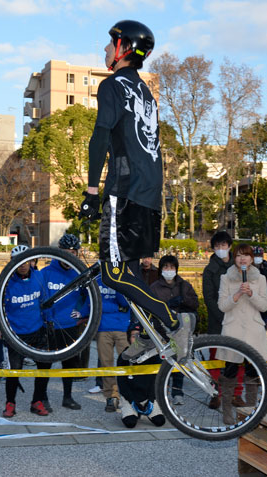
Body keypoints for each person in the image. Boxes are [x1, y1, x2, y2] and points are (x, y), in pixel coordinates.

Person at [78, 20, 192, 363]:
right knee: (128, 274)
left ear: (124, 48)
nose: (105, 50)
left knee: (113, 275)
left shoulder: (112, 86)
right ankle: (150, 334)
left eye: (110, 43)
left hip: (123, 191)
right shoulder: (145, 91)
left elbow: (101, 135)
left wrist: (92, 189)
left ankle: (173, 321)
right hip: (148, 196)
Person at [0, 245, 52, 418]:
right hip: (16, 333)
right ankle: (10, 402)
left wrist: (49, 320)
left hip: (37, 329)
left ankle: (37, 400)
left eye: (27, 261)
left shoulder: (39, 276)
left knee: (44, 366)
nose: (23, 265)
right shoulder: (6, 281)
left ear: (32, 261)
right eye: (18, 261)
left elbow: (46, 300)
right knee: (15, 370)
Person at [217, 244, 267, 425]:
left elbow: (264, 306)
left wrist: (252, 293)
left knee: (253, 372)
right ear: (234, 258)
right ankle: (227, 411)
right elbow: (222, 306)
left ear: (251, 259)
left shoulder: (260, 278)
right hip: (233, 330)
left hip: (254, 332)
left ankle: (251, 410)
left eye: (246, 256)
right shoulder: (226, 278)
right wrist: (238, 293)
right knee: (230, 372)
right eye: (239, 255)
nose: (243, 259)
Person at [40, 234, 88, 411]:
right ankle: (42, 397)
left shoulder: (79, 273)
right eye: (66, 252)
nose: (69, 256)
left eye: (73, 253)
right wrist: (45, 317)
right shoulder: (45, 273)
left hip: (70, 326)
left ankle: (67, 397)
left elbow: (88, 297)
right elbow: (39, 298)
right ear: (59, 253)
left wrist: (82, 314)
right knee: (45, 364)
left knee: (69, 365)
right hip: (49, 326)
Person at [150, 255, 199, 406]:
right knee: (162, 363)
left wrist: (183, 300)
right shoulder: (154, 287)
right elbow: (151, 307)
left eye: (171, 267)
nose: (169, 270)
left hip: (180, 329)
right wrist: (167, 305)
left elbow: (195, 303)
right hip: (161, 330)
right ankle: (161, 392)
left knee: (179, 362)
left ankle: (177, 392)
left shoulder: (184, 285)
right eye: (166, 267)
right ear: (161, 269)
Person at [116, 324, 165, 428]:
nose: (137, 339)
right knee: (130, 423)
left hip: (149, 397)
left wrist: (151, 399)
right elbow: (121, 382)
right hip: (130, 397)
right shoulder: (124, 356)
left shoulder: (154, 355)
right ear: (128, 338)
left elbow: (157, 381)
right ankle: (131, 410)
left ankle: (146, 409)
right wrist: (131, 400)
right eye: (134, 336)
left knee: (160, 421)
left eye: (139, 336)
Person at [95, 275, 131, 412]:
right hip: (103, 328)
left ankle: (129, 395)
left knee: (127, 363)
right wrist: (113, 307)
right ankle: (111, 396)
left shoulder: (122, 277)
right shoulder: (97, 279)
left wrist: (116, 285)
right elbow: (93, 302)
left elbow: (125, 302)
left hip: (122, 328)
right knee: (106, 364)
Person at [203, 231, 233, 335]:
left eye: (223, 245)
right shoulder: (209, 270)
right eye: (217, 246)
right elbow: (209, 297)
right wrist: (223, 317)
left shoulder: (238, 265)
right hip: (217, 320)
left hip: (238, 317)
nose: (220, 248)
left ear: (229, 246)